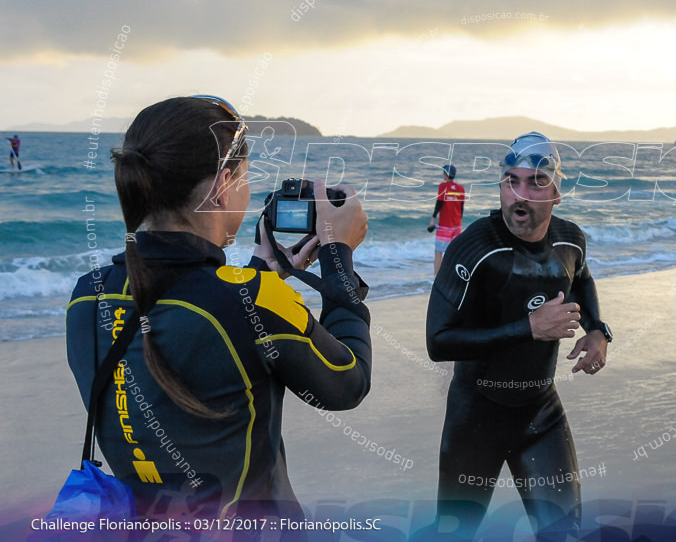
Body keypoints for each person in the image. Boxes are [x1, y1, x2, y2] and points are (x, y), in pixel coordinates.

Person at [65, 96, 372, 521]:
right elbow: (347, 382)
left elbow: (194, 326)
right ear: (222, 184)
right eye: (246, 177)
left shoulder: (87, 296)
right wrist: (339, 259)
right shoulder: (250, 301)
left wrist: (261, 272)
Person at [426, 132, 612, 539]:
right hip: (476, 415)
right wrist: (529, 329)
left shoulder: (570, 240)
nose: (519, 195)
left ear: (556, 194)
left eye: (535, 182)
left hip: (540, 413)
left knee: (564, 533)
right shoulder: (473, 249)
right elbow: (438, 342)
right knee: (453, 534)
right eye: (510, 181)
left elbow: (580, 280)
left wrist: (597, 330)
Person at [427, 163, 465, 275]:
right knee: (454, 252)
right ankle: (452, 275)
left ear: (446, 174)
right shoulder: (461, 189)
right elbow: (461, 208)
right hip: (457, 225)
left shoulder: (443, 187)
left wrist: (433, 219)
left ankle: (436, 277)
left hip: (445, 226)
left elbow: (439, 203)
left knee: (439, 252)